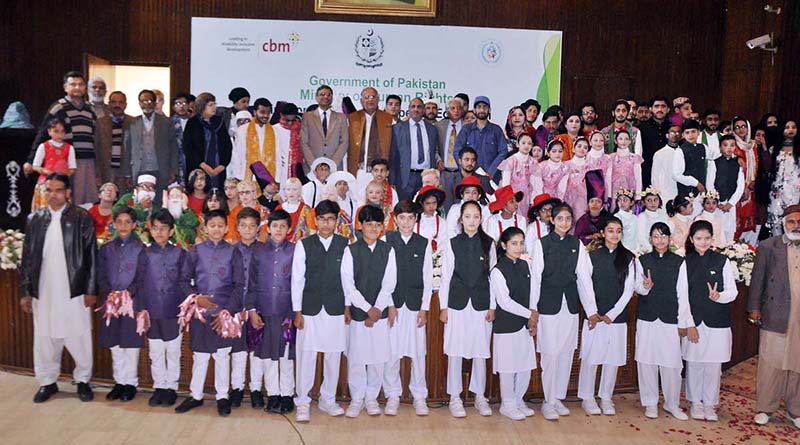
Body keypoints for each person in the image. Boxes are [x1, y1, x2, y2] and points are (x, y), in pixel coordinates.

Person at [19, 173, 97, 403]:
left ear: (68, 192)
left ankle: (83, 380)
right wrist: (25, 292)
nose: (53, 195)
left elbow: (92, 255)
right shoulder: (35, 219)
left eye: (58, 190)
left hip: (74, 289)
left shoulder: (82, 218)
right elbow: (27, 259)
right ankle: (47, 381)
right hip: (43, 289)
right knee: (44, 336)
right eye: (49, 190)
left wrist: (91, 288)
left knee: (79, 334)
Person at [530, 203, 599, 420]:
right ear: (552, 220)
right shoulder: (542, 244)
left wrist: (591, 310)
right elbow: (536, 280)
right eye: (560, 218)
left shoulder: (576, 244)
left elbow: (584, 279)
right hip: (548, 306)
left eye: (568, 219)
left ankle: (558, 398)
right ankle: (548, 401)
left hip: (569, 305)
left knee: (567, 352)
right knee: (550, 353)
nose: (564, 223)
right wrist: (533, 310)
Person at [174, 209, 245, 417]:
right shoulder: (196, 251)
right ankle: (195, 395)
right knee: (200, 355)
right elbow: (183, 280)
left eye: (220, 225)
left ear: (226, 228)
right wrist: (195, 297)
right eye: (212, 225)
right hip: (200, 311)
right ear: (205, 228)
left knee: (222, 355)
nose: (216, 229)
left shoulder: (234, 252)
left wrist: (227, 310)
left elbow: (240, 285)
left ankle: (222, 396)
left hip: (223, 311)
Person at [292, 200, 349, 423]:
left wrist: (346, 307)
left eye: (331, 219)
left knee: (333, 355)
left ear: (337, 221)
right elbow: (297, 280)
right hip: (310, 308)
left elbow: (348, 279)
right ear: (315, 221)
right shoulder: (304, 244)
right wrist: (298, 311)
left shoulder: (345, 244)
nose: (326, 223)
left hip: (335, 307)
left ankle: (328, 399)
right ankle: (303, 401)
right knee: (307, 355)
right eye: (322, 219)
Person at [439, 200, 495, 418]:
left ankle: (479, 395)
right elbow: (446, 276)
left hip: (481, 303)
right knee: (455, 350)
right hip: (457, 303)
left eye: (476, 216)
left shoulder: (488, 243)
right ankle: (455, 396)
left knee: (480, 350)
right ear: (461, 219)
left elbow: (493, 276)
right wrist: (444, 307)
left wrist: (492, 306)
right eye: (468, 216)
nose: (472, 221)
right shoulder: (452, 243)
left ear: (481, 219)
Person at [340, 206, 397, 418]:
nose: (373, 228)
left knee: (377, 357)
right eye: (369, 224)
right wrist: (367, 309)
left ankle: (371, 397)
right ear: (360, 226)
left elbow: (389, 283)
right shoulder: (351, 250)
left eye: (377, 224)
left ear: (382, 227)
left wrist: (377, 309)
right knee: (356, 356)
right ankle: (357, 398)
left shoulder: (387, 250)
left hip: (379, 313)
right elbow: (348, 285)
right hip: (358, 313)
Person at [748, 205, 800, 428]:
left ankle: (795, 411)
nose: (796, 226)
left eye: (799, 222)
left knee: (797, 365)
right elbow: (758, 279)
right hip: (775, 313)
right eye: (791, 222)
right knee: (771, 363)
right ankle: (765, 408)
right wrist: (754, 308)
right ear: (783, 223)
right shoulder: (769, 246)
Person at [634, 222, 692, 421]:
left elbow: (683, 294)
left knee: (672, 364)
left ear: (670, 238)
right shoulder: (642, 260)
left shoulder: (679, 261)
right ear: (651, 239)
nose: (660, 240)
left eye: (663, 236)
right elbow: (637, 288)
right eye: (656, 236)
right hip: (647, 316)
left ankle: (672, 403)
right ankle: (650, 403)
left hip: (670, 318)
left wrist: (683, 322)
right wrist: (645, 286)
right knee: (646, 361)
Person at [682, 220, 738, 421]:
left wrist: (719, 296)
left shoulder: (722, 261)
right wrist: (688, 323)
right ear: (691, 239)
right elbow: (682, 296)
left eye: (706, 238)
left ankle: (710, 404)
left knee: (713, 365)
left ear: (712, 239)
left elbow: (733, 292)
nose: (703, 242)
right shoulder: (685, 262)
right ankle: (696, 402)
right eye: (698, 238)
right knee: (695, 363)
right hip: (694, 322)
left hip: (717, 321)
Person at [578, 217, 635, 416]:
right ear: (602, 233)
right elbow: (584, 284)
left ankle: (606, 397)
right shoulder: (591, 256)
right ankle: (587, 396)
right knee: (591, 358)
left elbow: (628, 290)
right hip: (594, 316)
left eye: (618, 231)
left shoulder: (628, 258)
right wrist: (592, 311)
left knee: (611, 360)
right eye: (610, 230)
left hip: (616, 318)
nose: (615, 234)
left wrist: (612, 314)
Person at [384, 200, 433, 416]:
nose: (406, 222)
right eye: (402, 218)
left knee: (418, 352)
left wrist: (424, 308)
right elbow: (384, 277)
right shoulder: (387, 240)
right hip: (394, 305)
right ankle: (392, 394)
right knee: (392, 352)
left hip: (414, 305)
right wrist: (389, 304)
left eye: (410, 218)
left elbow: (427, 279)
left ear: (416, 219)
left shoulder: (423, 243)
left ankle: (419, 395)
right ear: (395, 219)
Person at [134, 209, 186, 407]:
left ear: (171, 231)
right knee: (155, 352)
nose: (159, 232)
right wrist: (141, 309)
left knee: (173, 351)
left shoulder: (180, 254)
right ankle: (159, 387)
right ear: (150, 230)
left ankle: (171, 387)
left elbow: (185, 282)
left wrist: (185, 309)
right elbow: (138, 282)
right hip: (152, 310)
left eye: (164, 228)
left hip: (173, 311)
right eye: (155, 228)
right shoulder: (144, 254)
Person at [246, 209, 296, 413]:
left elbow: (299, 283)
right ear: (268, 228)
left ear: (289, 229)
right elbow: (251, 283)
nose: (278, 230)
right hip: (264, 310)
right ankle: (273, 392)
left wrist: (295, 312)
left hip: (286, 311)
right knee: (267, 355)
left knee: (285, 355)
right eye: (275, 226)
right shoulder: (258, 252)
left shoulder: (295, 251)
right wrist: (252, 310)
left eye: (283, 226)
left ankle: (287, 394)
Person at [97, 206, 146, 402]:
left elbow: (142, 277)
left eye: (128, 222)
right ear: (114, 224)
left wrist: (128, 293)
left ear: (134, 225)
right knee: (115, 343)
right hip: (111, 303)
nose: (123, 226)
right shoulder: (107, 248)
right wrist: (110, 293)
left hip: (131, 303)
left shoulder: (141, 248)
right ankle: (119, 381)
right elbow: (101, 275)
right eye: (120, 222)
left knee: (130, 343)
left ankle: (130, 383)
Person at [28, 71, 98, 205]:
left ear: (85, 87)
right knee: (67, 198)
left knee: (88, 199)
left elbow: (95, 135)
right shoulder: (58, 107)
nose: (77, 87)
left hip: (88, 160)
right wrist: (31, 160)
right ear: (65, 87)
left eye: (81, 84)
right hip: (66, 161)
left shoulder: (91, 109)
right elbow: (43, 133)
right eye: (73, 84)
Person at [491, 227, 537, 420]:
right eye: (514, 243)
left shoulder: (525, 265)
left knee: (525, 364)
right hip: (507, 324)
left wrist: (532, 318)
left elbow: (532, 292)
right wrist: (530, 314)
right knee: (508, 366)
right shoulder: (498, 270)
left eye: (521, 243)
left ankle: (519, 400)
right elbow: (504, 301)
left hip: (525, 324)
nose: (519, 247)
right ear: (504, 245)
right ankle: (507, 404)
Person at [122, 89, 178, 205]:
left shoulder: (166, 122)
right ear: (139, 103)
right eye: (143, 101)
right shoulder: (132, 123)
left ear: (154, 102)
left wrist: (173, 170)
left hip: (160, 168)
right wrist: (127, 173)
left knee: (159, 201)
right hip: (139, 168)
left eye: (150, 101)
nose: (147, 104)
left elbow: (173, 148)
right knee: (140, 202)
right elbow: (127, 150)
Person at [229, 207, 260, 409]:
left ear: (258, 228)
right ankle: (237, 388)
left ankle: (256, 389)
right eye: (244, 225)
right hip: (236, 307)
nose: (248, 229)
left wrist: (254, 308)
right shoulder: (231, 250)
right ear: (237, 227)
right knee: (238, 351)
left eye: (252, 226)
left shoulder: (264, 250)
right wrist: (235, 307)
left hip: (257, 308)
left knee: (256, 351)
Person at [389, 97, 439, 201]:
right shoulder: (398, 129)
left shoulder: (432, 129)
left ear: (424, 110)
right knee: (405, 210)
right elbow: (393, 156)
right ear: (408, 109)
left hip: (426, 176)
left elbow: (434, 153)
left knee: (424, 208)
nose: (416, 109)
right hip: (405, 178)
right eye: (413, 107)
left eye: (419, 107)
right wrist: (392, 181)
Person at [184, 92, 233, 190]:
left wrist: (222, 166)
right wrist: (204, 166)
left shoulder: (219, 122)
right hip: (198, 167)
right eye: (210, 105)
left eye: (215, 104)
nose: (214, 107)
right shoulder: (193, 123)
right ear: (202, 107)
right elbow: (188, 147)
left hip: (218, 168)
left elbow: (227, 146)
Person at [454, 96, 507, 179]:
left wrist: (491, 171)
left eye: (485, 107)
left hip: (492, 178)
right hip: (470, 177)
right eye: (479, 107)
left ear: (489, 110)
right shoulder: (466, 130)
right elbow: (457, 151)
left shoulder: (496, 130)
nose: (482, 110)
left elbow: (503, 152)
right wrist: (464, 170)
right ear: (474, 110)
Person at [30, 118, 76, 212]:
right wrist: (47, 172)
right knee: (44, 211)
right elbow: (35, 166)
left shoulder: (69, 148)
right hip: (45, 184)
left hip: (62, 184)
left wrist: (61, 176)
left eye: (62, 131)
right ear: (49, 131)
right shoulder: (44, 146)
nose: (60, 134)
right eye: (56, 131)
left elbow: (72, 168)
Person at [348, 87, 394, 181]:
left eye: (373, 96)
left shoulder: (388, 119)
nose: (370, 99)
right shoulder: (352, 118)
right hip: (358, 170)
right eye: (367, 97)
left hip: (380, 172)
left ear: (378, 100)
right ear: (361, 101)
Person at [300, 85, 348, 171]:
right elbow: (304, 143)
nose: (326, 96)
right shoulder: (307, 117)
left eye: (329, 95)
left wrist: (332, 165)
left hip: (334, 168)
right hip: (312, 169)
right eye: (322, 94)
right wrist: (314, 165)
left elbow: (344, 142)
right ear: (316, 98)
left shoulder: (341, 117)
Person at [706, 134, 744, 243]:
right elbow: (710, 184)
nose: (729, 148)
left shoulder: (737, 163)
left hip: (730, 205)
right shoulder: (714, 163)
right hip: (718, 204)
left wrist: (731, 203)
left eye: (732, 145)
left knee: (729, 231)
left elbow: (740, 186)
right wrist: (717, 202)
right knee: (717, 230)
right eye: (725, 145)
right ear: (720, 147)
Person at [228, 98, 277, 182]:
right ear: (254, 112)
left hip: (269, 176)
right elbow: (237, 155)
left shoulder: (275, 131)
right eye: (262, 112)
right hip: (247, 175)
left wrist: (277, 179)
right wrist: (238, 176)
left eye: (268, 112)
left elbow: (278, 156)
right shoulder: (242, 130)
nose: (266, 115)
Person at [95, 91, 134, 190]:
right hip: (107, 169)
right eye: (114, 102)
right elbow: (96, 148)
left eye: (121, 102)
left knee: (127, 201)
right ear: (108, 104)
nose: (117, 105)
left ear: (125, 105)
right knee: (107, 198)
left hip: (127, 170)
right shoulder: (100, 123)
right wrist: (97, 174)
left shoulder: (134, 122)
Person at [766, 127, 800, 236]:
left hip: (794, 190)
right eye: (787, 127)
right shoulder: (774, 149)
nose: (790, 130)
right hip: (777, 191)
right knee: (776, 220)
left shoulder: (798, 150)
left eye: (793, 127)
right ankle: (778, 249)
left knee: (793, 218)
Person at [731, 117, 759, 241]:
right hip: (737, 188)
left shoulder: (752, 145)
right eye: (737, 127)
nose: (741, 129)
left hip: (751, 188)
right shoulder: (732, 145)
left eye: (743, 126)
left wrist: (751, 184)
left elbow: (756, 165)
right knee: (736, 220)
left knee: (749, 218)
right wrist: (743, 187)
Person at [498, 132, 538, 218]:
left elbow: (535, 183)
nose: (526, 146)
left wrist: (533, 199)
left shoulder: (533, 162)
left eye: (529, 143)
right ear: (517, 144)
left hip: (527, 195)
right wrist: (509, 200)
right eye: (523, 143)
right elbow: (506, 184)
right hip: (513, 196)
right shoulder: (510, 161)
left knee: (524, 219)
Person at [443, 146, 494, 211]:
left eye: (473, 160)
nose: (470, 163)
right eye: (467, 160)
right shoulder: (450, 180)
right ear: (459, 161)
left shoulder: (483, 180)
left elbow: (493, 200)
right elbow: (448, 205)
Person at [436, 98, 465, 204]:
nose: (456, 111)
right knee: (445, 204)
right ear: (447, 111)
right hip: (445, 173)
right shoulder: (439, 126)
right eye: (453, 108)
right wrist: (438, 159)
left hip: (461, 173)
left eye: (458, 108)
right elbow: (434, 148)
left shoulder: (467, 127)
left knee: (460, 205)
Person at [639, 96, 672, 187]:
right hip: (647, 171)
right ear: (650, 109)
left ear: (668, 109)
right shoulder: (641, 128)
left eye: (663, 106)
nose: (660, 109)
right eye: (656, 106)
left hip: (669, 171)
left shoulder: (673, 128)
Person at [672, 119, 709, 197]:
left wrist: (737, 158)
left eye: (693, 131)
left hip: (702, 193)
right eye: (687, 132)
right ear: (683, 135)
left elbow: (718, 156)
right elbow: (676, 175)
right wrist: (696, 183)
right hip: (686, 192)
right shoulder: (680, 151)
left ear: (698, 132)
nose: (690, 135)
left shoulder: (703, 147)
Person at [574, 171, 611, 246]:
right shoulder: (582, 221)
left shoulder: (609, 219)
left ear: (602, 205)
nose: (594, 204)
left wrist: (602, 236)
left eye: (598, 201)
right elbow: (576, 240)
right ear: (588, 204)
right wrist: (590, 237)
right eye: (592, 201)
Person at [607, 130, 643, 200]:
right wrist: (609, 196)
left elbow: (638, 178)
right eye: (620, 139)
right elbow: (608, 178)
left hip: (630, 192)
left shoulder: (635, 158)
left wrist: (638, 197)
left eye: (626, 139)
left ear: (630, 141)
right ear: (615, 141)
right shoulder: (610, 157)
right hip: (614, 193)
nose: (623, 141)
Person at [650, 124, 682, 204]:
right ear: (667, 135)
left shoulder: (684, 152)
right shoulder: (659, 154)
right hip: (665, 193)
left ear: (681, 136)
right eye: (672, 133)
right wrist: (657, 194)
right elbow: (655, 177)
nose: (675, 135)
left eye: (678, 133)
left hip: (681, 192)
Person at [274, 101, 304, 182]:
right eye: (287, 120)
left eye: (292, 120)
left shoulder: (300, 129)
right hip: (280, 168)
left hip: (297, 168)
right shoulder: (274, 129)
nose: (290, 123)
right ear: (281, 115)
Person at [278, 178, 315, 242]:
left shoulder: (306, 209)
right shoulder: (279, 208)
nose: (291, 192)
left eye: (294, 189)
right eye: (288, 189)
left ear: (300, 191)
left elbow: (310, 231)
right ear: (285, 191)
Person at [562, 136, 591, 218]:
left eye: (585, 147)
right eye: (579, 146)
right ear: (573, 149)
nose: (582, 149)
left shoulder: (590, 167)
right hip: (567, 199)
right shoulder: (565, 165)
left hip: (583, 200)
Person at [636, 187, 669, 253]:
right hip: (648, 249)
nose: (653, 203)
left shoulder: (663, 215)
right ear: (643, 202)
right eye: (649, 200)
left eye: (655, 200)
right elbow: (641, 236)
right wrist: (651, 249)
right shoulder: (642, 217)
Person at [171, 92, 193, 184]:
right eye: (178, 103)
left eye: (184, 103)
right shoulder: (169, 123)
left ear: (189, 105)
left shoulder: (195, 122)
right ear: (173, 107)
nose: (181, 106)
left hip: (192, 161)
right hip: (176, 163)